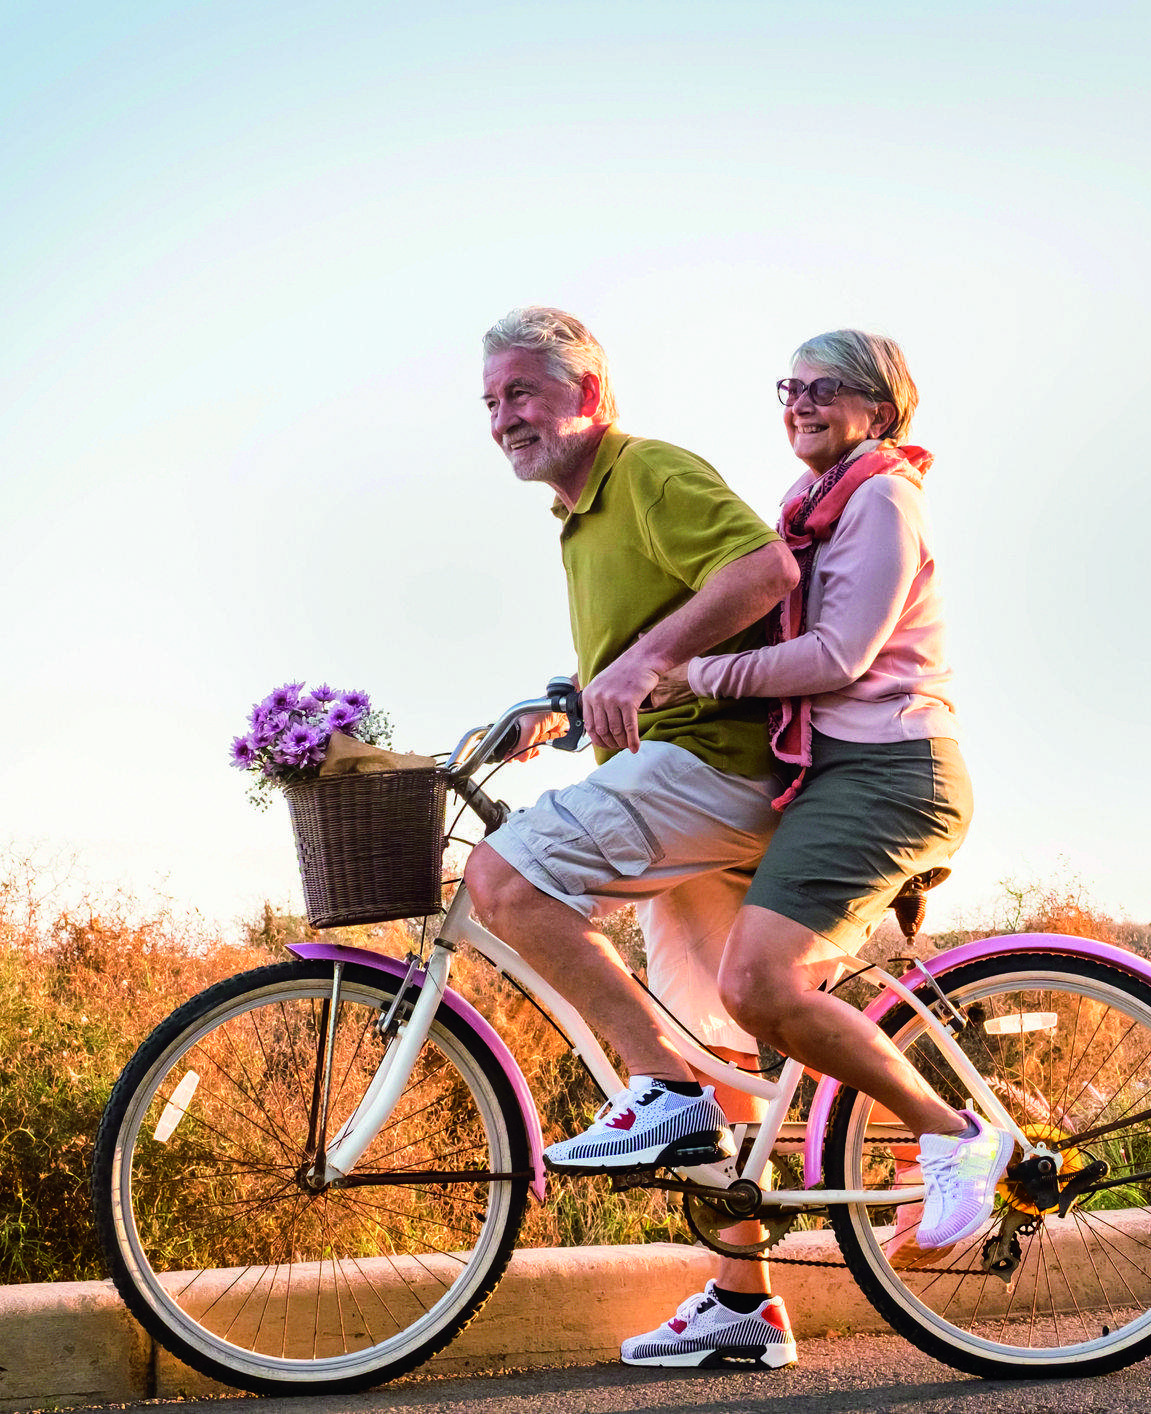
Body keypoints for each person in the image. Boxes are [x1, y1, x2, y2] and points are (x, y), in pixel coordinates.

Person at [625, 330, 986, 1368]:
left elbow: (839, 655)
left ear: (880, 407)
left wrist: (691, 676)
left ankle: (951, 1130)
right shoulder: (809, 507)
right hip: (835, 780)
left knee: (761, 985)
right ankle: (742, 1299)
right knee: (732, 1013)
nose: (800, 402)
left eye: (824, 388)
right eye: (788, 387)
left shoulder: (881, 497)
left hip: (889, 773)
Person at [460, 307, 799, 1364]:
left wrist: (645, 660)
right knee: (727, 1059)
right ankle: (746, 1303)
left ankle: (655, 1083)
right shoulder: (577, 517)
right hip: (683, 782)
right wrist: (567, 703)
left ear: (588, 393)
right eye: (491, 402)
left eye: (522, 393)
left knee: (501, 877)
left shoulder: (645, 470)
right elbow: (634, 652)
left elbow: (765, 572)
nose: (504, 418)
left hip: (714, 768)